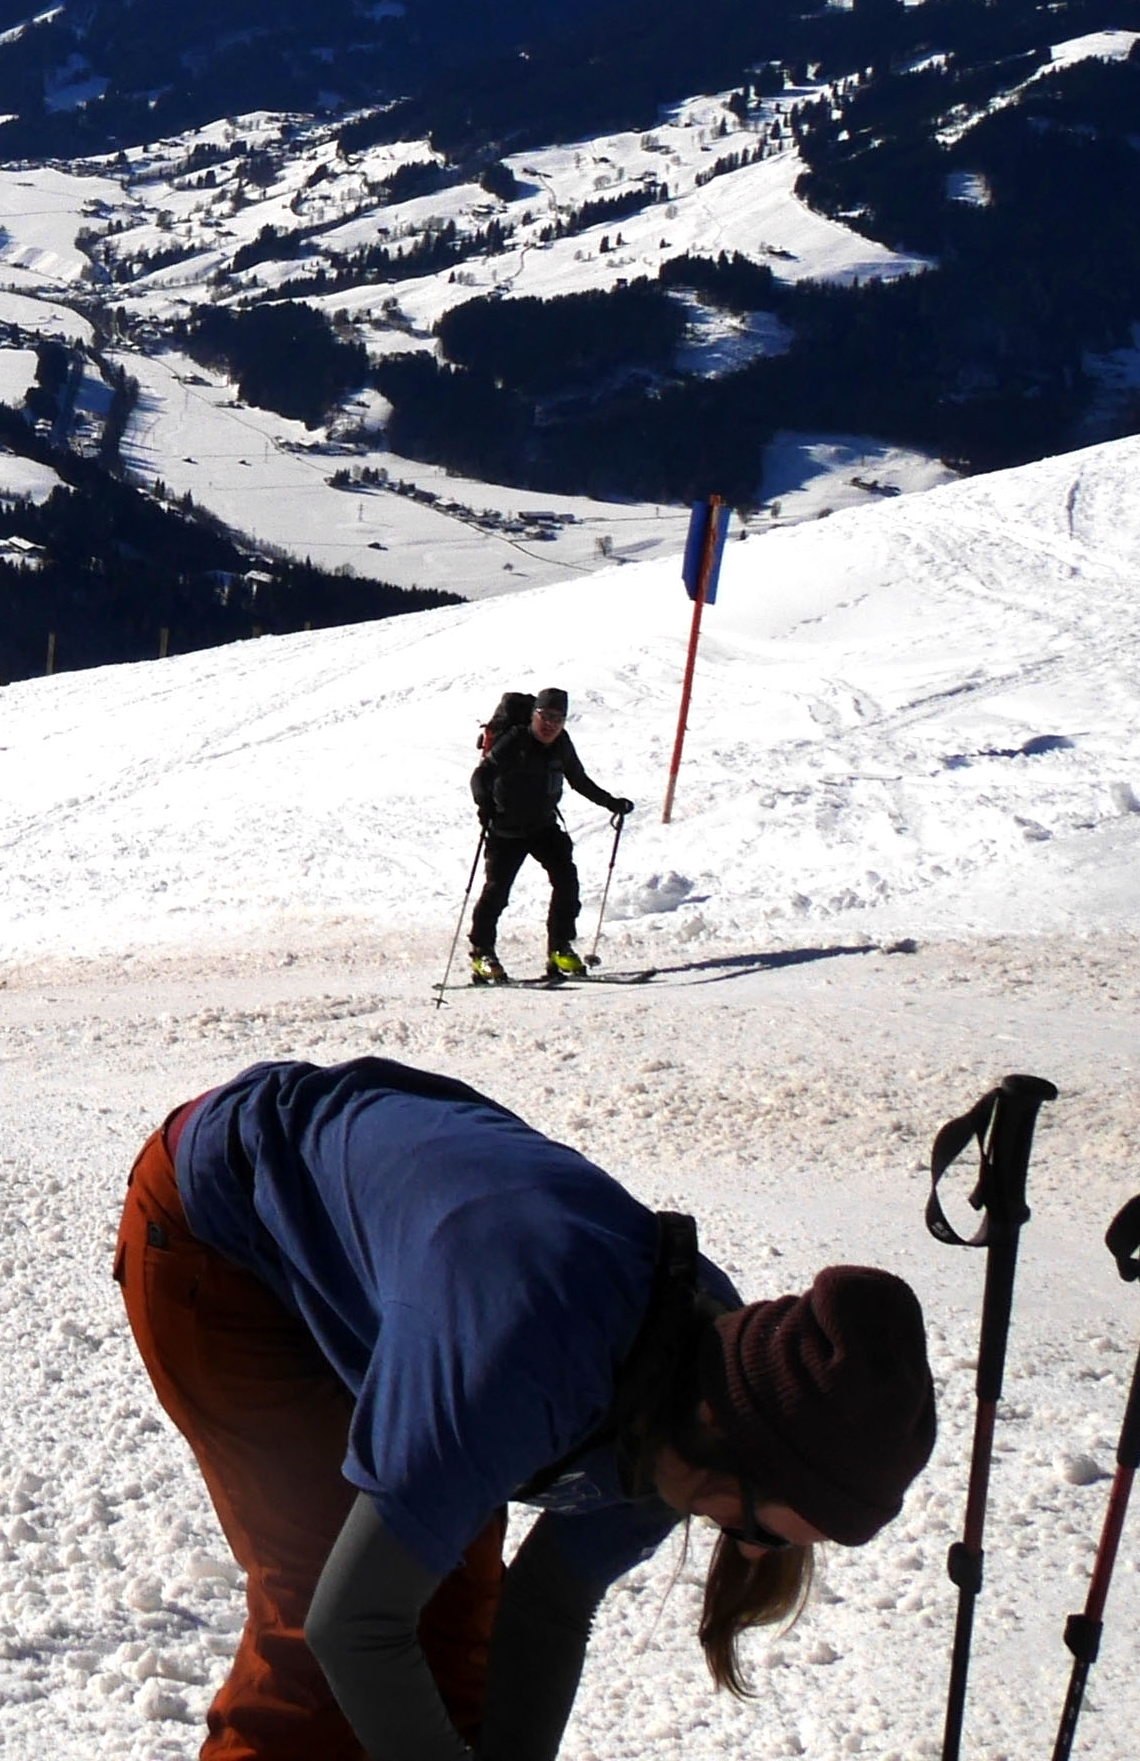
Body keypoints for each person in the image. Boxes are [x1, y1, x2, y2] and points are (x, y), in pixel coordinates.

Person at [121, 1055, 938, 1761]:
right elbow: (352, 1625)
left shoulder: (703, 1401)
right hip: (221, 1230)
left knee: (452, 1602)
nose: (751, 1555)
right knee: (318, 1618)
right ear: (724, 1433)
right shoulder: (532, 1355)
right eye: (757, 1530)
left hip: (422, 1283)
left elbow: (544, 1610)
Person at [470, 683, 633, 985]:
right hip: (506, 829)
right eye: (545, 716)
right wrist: (485, 807)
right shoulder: (514, 740)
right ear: (534, 715)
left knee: (566, 881)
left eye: (558, 719)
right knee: (497, 891)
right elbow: (481, 776)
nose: (550, 725)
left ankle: (559, 947)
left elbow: (578, 780)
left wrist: (611, 802)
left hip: (542, 825)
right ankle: (482, 952)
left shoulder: (561, 744)